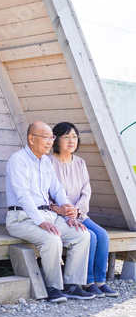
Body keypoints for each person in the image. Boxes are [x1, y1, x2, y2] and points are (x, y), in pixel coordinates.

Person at [6, 121, 95, 303]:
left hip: (48, 215)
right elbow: (23, 196)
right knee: (52, 238)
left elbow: (57, 191)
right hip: (21, 217)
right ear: (32, 139)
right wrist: (40, 221)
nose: (50, 142)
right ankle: (53, 286)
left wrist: (68, 211)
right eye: (46, 137)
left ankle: (71, 285)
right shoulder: (18, 160)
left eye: (51, 137)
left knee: (82, 234)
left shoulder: (45, 161)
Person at [49, 121, 118, 298]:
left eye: (74, 136)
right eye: (66, 137)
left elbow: (86, 191)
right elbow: (46, 194)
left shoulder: (80, 163)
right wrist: (62, 211)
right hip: (59, 216)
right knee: (91, 237)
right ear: (56, 140)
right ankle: (87, 281)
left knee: (102, 234)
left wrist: (77, 210)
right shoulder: (48, 162)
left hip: (79, 214)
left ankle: (100, 281)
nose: (72, 140)